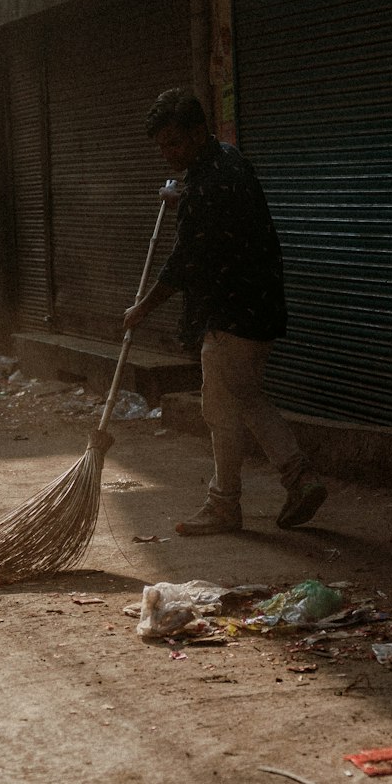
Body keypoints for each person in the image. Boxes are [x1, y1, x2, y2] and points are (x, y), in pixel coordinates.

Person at [123, 89, 327, 536]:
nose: (167, 153)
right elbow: (216, 210)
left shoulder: (207, 185)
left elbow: (184, 262)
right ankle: (234, 498)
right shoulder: (227, 161)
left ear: (198, 132)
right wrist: (185, 195)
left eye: (174, 143)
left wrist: (143, 308)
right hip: (259, 302)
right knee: (231, 402)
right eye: (161, 146)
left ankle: (286, 480)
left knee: (232, 402)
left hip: (230, 311)